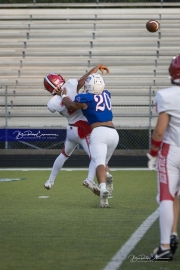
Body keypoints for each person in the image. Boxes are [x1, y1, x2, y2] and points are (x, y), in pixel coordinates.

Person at [43, 64, 114, 198]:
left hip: (71, 130)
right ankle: (90, 179)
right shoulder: (70, 85)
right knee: (95, 157)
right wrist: (96, 67)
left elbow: (62, 108)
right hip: (83, 129)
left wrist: (62, 95)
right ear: (60, 79)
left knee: (64, 155)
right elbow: (85, 78)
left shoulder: (52, 102)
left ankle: (50, 180)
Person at [59, 72, 119, 208]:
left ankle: (103, 187)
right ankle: (105, 194)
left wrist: (63, 95)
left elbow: (70, 105)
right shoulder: (107, 94)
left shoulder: (85, 98)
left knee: (99, 164)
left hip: (99, 132)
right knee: (104, 162)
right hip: (114, 133)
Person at [146, 54, 180, 261]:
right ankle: (173, 234)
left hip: (173, 151)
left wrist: (152, 153)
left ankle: (165, 246)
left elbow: (159, 132)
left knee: (167, 196)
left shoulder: (166, 95)